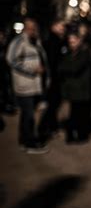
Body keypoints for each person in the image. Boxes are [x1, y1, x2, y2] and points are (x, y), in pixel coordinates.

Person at [6, 18, 49, 154]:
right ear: (25, 28)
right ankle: (30, 143)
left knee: (27, 115)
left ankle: (24, 141)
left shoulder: (36, 42)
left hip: (34, 85)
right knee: (29, 115)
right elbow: (11, 60)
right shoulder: (19, 41)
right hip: (24, 85)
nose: (33, 30)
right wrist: (31, 70)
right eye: (30, 27)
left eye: (35, 27)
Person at [58, 33, 91, 143]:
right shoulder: (67, 53)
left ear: (79, 41)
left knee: (81, 113)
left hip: (81, 89)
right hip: (71, 89)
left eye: (74, 41)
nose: (71, 44)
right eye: (70, 42)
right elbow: (60, 67)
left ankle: (82, 135)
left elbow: (75, 68)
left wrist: (66, 68)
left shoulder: (84, 53)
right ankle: (71, 135)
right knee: (72, 113)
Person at [38, 19, 67, 141]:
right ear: (53, 26)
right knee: (52, 104)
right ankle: (42, 128)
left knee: (55, 104)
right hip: (53, 78)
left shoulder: (60, 40)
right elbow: (52, 62)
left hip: (57, 78)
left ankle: (52, 127)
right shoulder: (52, 41)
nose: (62, 28)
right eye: (60, 26)